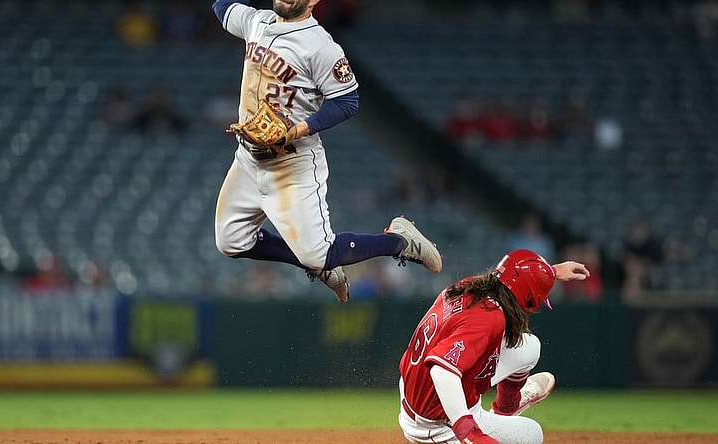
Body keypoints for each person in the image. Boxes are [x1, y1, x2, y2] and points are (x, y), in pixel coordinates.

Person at [210, 0, 442, 303]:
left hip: (292, 163)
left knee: (321, 253)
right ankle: (320, 267)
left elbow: (347, 102)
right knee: (231, 242)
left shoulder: (321, 46)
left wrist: (297, 129)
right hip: (248, 159)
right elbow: (221, 6)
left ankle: (400, 241)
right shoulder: (256, 21)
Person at [398, 249, 590, 444]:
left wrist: (551, 272)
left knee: (529, 346)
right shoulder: (490, 317)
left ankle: (507, 407)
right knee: (532, 434)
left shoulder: (471, 285)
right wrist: (468, 430)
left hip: (414, 389)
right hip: (436, 420)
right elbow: (441, 371)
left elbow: (515, 276)